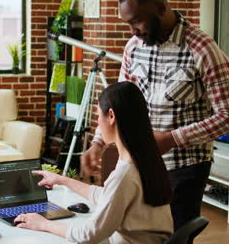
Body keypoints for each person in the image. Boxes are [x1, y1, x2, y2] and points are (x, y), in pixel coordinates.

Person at [82, 0, 229, 231]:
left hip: (184, 169)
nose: (133, 31)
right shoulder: (133, 48)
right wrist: (98, 143)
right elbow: (119, 105)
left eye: (137, 21)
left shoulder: (203, 49)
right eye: (128, 24)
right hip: (139, 165)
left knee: (174, 238)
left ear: (160, 7)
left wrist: (172, 138)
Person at [14, 82, 173, 244]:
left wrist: (43, 224)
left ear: (111, 116)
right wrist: (62, 180)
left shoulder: (125, 173)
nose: (98, 124)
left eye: (98, 116)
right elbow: (109, 196)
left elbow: (90, 235)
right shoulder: (145, 158)